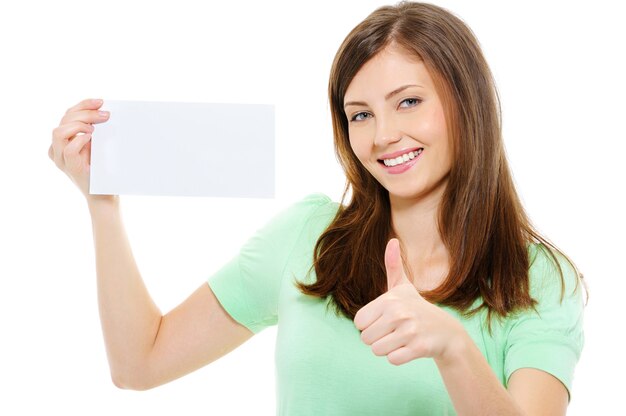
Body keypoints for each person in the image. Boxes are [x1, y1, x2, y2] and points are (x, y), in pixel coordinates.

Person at [48, 1, 586, 415]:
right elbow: (140, 363)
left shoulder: (541, 280)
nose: (383, 135)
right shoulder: (307, 237)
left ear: (467, 103)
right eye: (360, 115)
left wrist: (453, 347)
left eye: (409, 102)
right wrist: (102, 204)